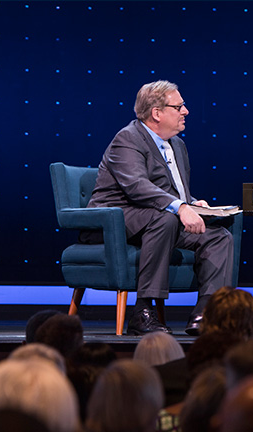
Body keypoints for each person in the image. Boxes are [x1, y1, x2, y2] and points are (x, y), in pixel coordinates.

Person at [85, 80, 234, 336]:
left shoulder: (177, 145)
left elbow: (172, 190)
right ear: (157, 113)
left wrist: (191, 203)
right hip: (116, 218)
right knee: (164, 219)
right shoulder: (127, 139)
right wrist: (180, 207)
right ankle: (143, 311)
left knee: (219, 237)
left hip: (158, 218)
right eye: (179, 106)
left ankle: (207, 312)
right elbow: (137, 186)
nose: (185, 111)